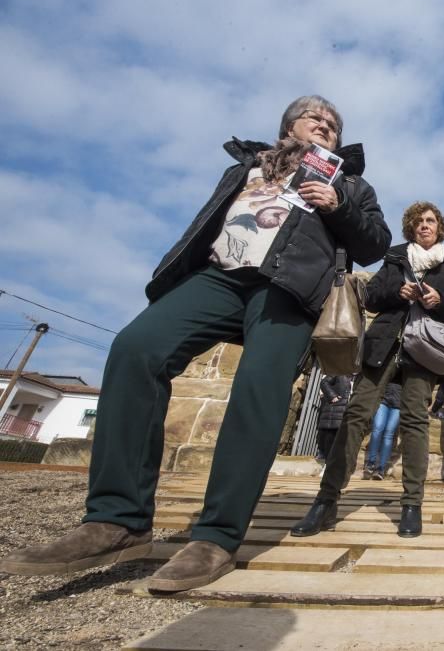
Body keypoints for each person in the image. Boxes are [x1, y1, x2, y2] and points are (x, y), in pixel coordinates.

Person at [0, 95, 390, 591]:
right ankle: (116, 520)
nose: (326, 126)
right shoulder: (251, 166)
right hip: (219, 276)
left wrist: (339, 207)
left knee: (258, 388)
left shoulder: (350, 182)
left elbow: (373, 243)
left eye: (334, 124)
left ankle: (217, 537)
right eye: (316, 118)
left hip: (290, 287)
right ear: (289, 126)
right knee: (136, 348)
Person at [291, 201, 444, 539]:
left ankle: (411, 505)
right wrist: (397, 292)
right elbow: (372, 297)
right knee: (356, 414)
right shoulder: (394, 257)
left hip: (425, 351)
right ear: (410, 228)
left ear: (440, 227)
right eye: (418, 222)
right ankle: (326, 501)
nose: (424, 226)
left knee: (415, 421)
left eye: (430, 221)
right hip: (384, 345)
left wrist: (439, 301)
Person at [363, 381, 402, 480]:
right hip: (383, 399)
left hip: (399, 403)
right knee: (377, 429)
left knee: (389, 433)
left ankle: (381, 469)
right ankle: (371, 463)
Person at [316, 375, 352, 462]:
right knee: (330, 438)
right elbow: (324, 382)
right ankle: (326, 463)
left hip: (349, 413)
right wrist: (332, 396)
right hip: (336, 411)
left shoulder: (362, 377)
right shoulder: (340, 371)